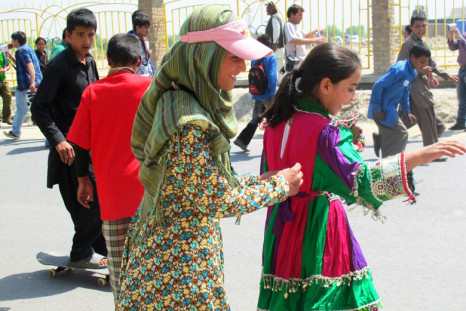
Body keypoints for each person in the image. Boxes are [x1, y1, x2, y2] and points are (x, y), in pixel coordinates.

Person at [116, 5, 304, 309]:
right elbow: (214, 200)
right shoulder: (189, 122)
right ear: (205, 56)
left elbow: (197, 186)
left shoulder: (183, 100)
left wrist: (257, 182)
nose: (242, 68)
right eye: (234, 57)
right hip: (177, 271)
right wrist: (278, 187)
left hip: (168, 256)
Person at [257, 42, 466, 311]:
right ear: (326, 85)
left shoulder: (275, 122)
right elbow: (363, 181)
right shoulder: (326, 131)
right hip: (318, 229)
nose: (352, 97)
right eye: (351, 88)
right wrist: (419, 156)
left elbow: (269, 175)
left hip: (282, 230)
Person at [66, 33, 151, 299]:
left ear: (108, 59)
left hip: (112, 199)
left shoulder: (93, 92)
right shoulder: (151, 88)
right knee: (151, 272)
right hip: (149, 196)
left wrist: (83, 179)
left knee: (121, 277)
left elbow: (80, 144)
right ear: (139, 60)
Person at [31, 8, 107, 269]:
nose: (86, 40)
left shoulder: (90, 63)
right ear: (68, 35)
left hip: (91, 147)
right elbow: (39, 107)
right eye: (80, 35)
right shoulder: (59, 66)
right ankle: (81, 252)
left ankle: (100, 249)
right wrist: (58, 140)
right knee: (89, 205)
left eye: (91, 35)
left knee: (98, 203)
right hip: (69, 151)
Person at [397, 11, 458, 153]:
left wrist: (445, 75)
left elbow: (430, 62)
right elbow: (400, 67)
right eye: (417, 26)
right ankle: (432, 152)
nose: (421, 29)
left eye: (423, 26)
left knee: (407, 119)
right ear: (411, 27)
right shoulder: (409, 44)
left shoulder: (420, 42)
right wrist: (419, 72)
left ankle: (382, 137)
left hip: (420, 85)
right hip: (414, 86)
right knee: (428, 116)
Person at [368, 43, 431, 158]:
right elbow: (378, 85)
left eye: (427, 61)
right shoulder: (400, 69)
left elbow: (405, 93)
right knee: (402, 134)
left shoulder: (413, 72)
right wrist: (377, 109)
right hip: (382, 109)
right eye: (422, 62)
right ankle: (393, 165)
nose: (425, 65)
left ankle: (390, 164)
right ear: (412, 57)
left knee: (392, 136)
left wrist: (407, 112)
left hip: (390, 109)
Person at [234, 34, 277, 152]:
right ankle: (275, 145)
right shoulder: (271, 57)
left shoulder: (254, 58)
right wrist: (273, 93)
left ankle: (242, 140)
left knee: (256, 118)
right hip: (268, 95)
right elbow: (272, 77)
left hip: (258, 93)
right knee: (275, 119)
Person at [3, 31, 42, 140]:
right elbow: (21, 65)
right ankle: (15, 131)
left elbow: (30, 66)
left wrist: (32, 83)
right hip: (28, 85)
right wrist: (9, 56)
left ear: (16, 40)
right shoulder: (27, 48)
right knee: (22, 108)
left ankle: (50, 136)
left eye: (12, 40)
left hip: (27, 85)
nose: (11, 42)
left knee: (37, 110)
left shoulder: (21, 51)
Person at [283, 4, 326, 72]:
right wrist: (315, 40)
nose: (301, 18)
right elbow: (294, 40)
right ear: (292, 14)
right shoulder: (288, 25)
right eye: (299, 15)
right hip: (294, 66)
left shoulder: (296, 27)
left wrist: (316, 31)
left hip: (301, 64)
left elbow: (306, 37)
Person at [447, 24, 466, 130]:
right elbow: (453, 47)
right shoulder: (463, 35)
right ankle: (461, 122)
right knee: (462, 98)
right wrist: (451, 37)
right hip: (462, 69)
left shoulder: (462, 36)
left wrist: (458, 35)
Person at [128, 10, 155, 77]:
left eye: (148, 27)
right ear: (137, 27)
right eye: (145, 27)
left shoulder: (145, 41)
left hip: (148, 76)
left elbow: (148, 61)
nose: (148, 30)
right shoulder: (131, 42)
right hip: (138, 78)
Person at [265, 2, 284, 74]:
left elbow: (276, 30)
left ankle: (280, 81)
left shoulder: (274, 18)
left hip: (276, 47)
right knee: (280, 65)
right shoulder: (277, 17)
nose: (266, 10)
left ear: (272, 9)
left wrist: (275, 43)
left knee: (277, 65)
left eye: (267, 9)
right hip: (278, 46)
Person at [0, 50, 12, 125]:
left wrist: (5, 69)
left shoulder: (2, 53)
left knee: (8, 96)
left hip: (2, 79)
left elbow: (9, 64)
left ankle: (6, 117)